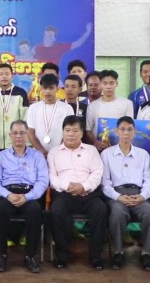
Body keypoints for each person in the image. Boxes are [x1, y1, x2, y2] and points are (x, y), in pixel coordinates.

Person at [47, 115, 107, 270]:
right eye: (67, 130)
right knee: (56, 211)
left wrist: (83, 186)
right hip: (64, 194)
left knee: (101, 210)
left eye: (75, 131)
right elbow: (52, 177)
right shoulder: (54, 152)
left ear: (82, 133)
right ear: (62, 132)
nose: (70, 134)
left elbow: (97, 173)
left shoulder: (91, 150)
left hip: (88, 194)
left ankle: (96, 257)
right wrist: (68, 186)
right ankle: (62, 256)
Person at [0, 120, 48, 273]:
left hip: (29, 194)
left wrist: (27, 197)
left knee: (35, 210)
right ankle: (1, 255)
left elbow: (43, 181)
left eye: (22, 133)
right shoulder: (1, 156)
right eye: (15, 133)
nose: (18, 136)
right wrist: (8, 195)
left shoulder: (37, 156)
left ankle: (30, 256)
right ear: (10, 135)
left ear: (27, 135)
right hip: (7, 194)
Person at [100, 116, 150, 271]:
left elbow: (149, 181)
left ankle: (146, 253)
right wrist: (118, 197)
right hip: (116, 195)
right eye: (122, 129)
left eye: (129, 129)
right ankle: (118, 252)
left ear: (134, 132)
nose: (126, 132)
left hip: (138, 195)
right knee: (117, 212)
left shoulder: (143, 154)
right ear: (116, 131)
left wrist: (142, 196)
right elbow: (105, 183)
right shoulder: (106, 154)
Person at [0, 63, 29, 148]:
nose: (4, 76)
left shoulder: (21, 93)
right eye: (1, 74)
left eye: (7, 74)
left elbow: (25, 117)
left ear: (12, 76)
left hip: (15, 141)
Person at [85, 70, 134, 151]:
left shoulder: (127, 104)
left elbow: (130, 127)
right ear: (101, 84)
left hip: (121, 148)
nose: (108, 86)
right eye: (105, 83)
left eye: (111, 83)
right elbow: (88, 129)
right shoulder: (92, 106)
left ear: (116, 84)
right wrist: (95, 142)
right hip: (100, 148)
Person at [27, 74, 74, 155]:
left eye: (51, 88)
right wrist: (42, 151)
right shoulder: (33, 108)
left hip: (61, 153)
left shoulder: (67, 108)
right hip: (38, 153)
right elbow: (30, 133)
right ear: (41, 89)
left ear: (57, 89)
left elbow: (70, 132)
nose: (48, 91)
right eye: (45, 88)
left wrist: (59, 151)